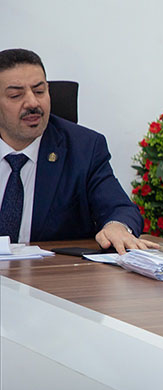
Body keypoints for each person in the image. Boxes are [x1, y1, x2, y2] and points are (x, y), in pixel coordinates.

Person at [0, 48, 146, 252]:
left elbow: (119, 208)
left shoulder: (84, 148)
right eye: (16, 95)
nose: (33, 103)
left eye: (40, 91)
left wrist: (117, 226)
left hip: (52, 270)